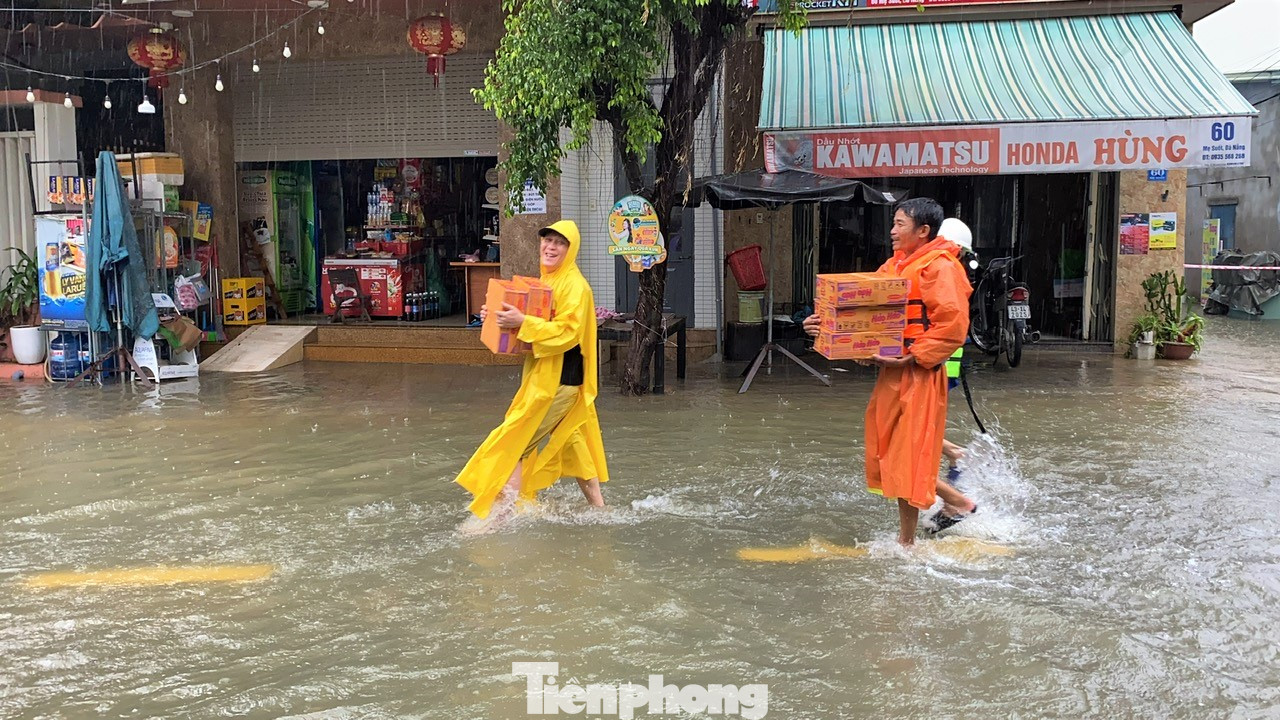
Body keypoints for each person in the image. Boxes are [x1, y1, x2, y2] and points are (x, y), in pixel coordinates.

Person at [803, 198, 972, 546]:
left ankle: (908, 542)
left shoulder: (940, 267)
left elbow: (953, 326)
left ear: (923, 231)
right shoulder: (894, 266)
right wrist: (820, 326)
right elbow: (862, 314)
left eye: (899, 224)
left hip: (921, 374)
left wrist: (912, 358)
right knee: (891, 451)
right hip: (892, 374)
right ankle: (955, 504)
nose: (892, 232)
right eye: (892, 224)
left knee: (907, 456)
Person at [455, 220, 608, 532]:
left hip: (560, 383)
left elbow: (566, 333)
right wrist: (496, 316)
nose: (550, 248)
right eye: (547, 241)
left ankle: (501, 516)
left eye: (559, 243)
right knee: (575, 440)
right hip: (551, 379)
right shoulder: (546, 281)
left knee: (516, 443)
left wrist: (521, 320)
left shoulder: (575, 287)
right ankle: (601, 512)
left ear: (571, 249)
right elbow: (529, 327)